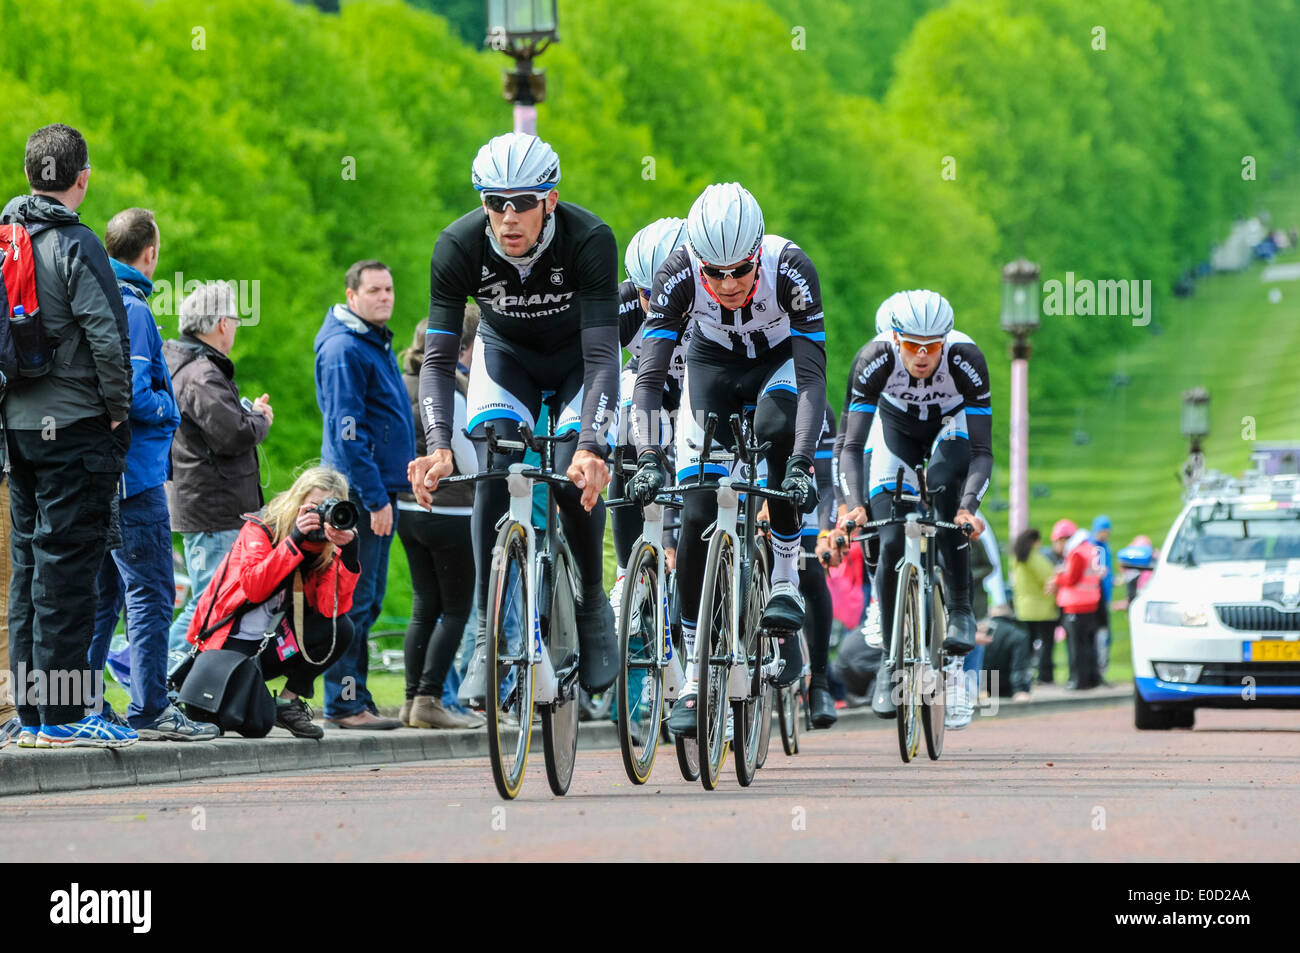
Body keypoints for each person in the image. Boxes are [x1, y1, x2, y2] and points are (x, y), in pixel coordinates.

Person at [409, 132, 620, 710]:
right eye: (494, 202)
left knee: (572, 467)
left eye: (522, 201)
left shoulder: (590, 238)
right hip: (507, 359)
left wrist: (594, 445)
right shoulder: (457, 246)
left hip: (579, 360)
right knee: (497, 466)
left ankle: (591, 604)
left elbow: (604, 356)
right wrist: (437, 445)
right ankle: (486, 635)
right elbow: (436, 356)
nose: (507, 217)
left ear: (550, 199)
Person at [627, 182, 828, 737]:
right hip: (711, 367)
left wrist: (802, 465)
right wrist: (648, 455)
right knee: (695, 514)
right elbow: (648, 377)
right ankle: (694, 677)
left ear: (758, 250)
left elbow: (812, 380)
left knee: (777, 431)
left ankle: (784, 579)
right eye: (713, 273)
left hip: (780, 364)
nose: (728, 283)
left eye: (740, 269)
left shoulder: (790, 268)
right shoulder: (675, 273)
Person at [3, 123, 137, 748]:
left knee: (28, 568)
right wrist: (118, 412)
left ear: (32, 174)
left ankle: (30, 716)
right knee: (68, 573)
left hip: (18, 428)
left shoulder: (7, 239)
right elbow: (108, 337)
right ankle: (60, 717)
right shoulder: (77, 243)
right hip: (77, 428)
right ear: (82, 176)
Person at [833, 289, 992, 720]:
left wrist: (968, 507)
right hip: (895, 435)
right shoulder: (874, 358)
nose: (922, 356)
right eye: (912, 346)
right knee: (887, 538)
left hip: (950, 430)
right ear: (894, 338)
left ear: (946, 341)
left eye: (932, 347)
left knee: (944, 494)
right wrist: (853, 504)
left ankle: (959, 609)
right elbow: (849, 445)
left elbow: (982, 452)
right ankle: (890, 661)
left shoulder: (966, 359)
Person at [88, 208, 215, 740]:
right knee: (153, 593)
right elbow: (138, 394)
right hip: (135, 478)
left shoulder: (94, 296)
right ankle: (151, 709)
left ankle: (84, 706)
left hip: (99, 475)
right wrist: (170, 409)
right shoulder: (134, 308)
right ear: (150, 252)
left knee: (103, 598)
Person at [185, 466, 359, 739]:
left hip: (272, 647)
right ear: (297, 500)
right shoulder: (261, 527)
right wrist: (294, 541)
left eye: (329, 508)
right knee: (240, 720)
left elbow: (330, 610)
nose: (320, 515)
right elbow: (254, 588)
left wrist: (347, 556)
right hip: (227, 644)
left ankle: (287, 703)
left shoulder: (325, 545)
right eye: (314, 506)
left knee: (343, 628)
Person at [314, 260, 415, 730]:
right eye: (374, 290)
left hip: (378, 489)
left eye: (389, 289)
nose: (385, 297)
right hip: (358, 494)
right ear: (351, 296)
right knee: (352, 599)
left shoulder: (372, 341)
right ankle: (343, 702)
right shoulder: (343, 348)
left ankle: (358, 696)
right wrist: (374, 499)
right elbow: (347, 434)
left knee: (367, 599)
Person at [165, 281, 273, 652]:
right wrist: (260, 419)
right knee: (211, 598)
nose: (237, 326)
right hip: (214, 508)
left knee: (211, 596)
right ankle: (154, 669)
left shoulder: (186, 365)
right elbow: (232, 435)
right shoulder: (201, 373)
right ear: (221, 323)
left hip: (205, 504)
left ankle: (161, 674)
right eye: (235, 318)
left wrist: (247, 417)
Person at [395, 308, 482, 729]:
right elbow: (465, 457)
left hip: (408, 508)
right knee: (455, 610)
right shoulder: (451, 388)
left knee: (423, 606)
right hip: (451, 508)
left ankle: (411, 699)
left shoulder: (402, 384)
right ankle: (430, 697)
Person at [609, 217, 691, 616]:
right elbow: (594, 371)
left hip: (701, 386)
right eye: (646, 294)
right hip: (648, 383)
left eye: (661, 293)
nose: (655, 304)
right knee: (625, 432)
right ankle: (627, 571)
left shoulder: (712, 296)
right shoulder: (624, 303)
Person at [1047, 519, 1102, 690]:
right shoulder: (1088, 549)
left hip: (1076, 605)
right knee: (1087, 645)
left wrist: (1057, 579)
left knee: (1076, 647)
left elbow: (1072, 578)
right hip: (1089, 602)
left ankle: (1078, 680)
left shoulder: (1077, 552)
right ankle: (1091, 679)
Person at [1011, 527, 1060, 684]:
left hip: (1024, 608)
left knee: (1027, 646)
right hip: (1042, 608)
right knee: (1046, 644)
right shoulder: (1034, 557)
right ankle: (1045, 676)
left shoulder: (1017, 558)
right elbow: (1048, 576)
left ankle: (1024, 674)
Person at [1090, 514, 1115, 682]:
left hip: (1104, 598)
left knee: (1105, 636)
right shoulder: (1094, 548)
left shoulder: (1106, 548)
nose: (1105, 534)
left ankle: (1101, 671)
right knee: (1098, 636)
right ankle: (1096, 672)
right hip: (1094, 600)